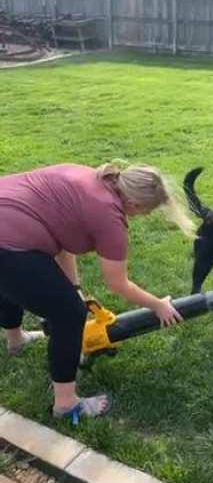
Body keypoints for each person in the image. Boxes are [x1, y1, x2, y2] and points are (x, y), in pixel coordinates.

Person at [0, 161, 194, 423]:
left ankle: (16, 340)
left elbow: (59, 241)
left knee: (11, 281)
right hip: (8, 240)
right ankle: (66, 404)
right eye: (146, 213)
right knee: (69, 314)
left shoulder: (90, 176)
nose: (141, 217)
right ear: (136, 205)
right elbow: (118, 284)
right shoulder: (109, 216)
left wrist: (75, 289)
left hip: (8, 221)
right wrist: (158, 305)